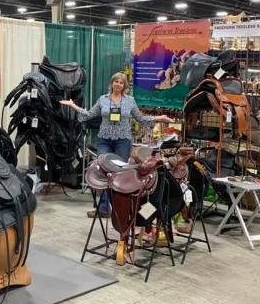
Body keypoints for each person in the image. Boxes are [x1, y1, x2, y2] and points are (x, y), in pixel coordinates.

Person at [60, 71, 175, 217]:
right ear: (112, 83)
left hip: (123, 141)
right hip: (104, 140)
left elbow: (140, 118)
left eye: (121, 82)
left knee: (119, 173)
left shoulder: (130, 101)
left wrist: (160, 117)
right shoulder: (103, 99)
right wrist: (72, 105)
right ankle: (103, 208)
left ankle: (118, 208)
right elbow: (89, 114)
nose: (118, 84)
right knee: (103, 171)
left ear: (124, 85)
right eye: (116, 81)